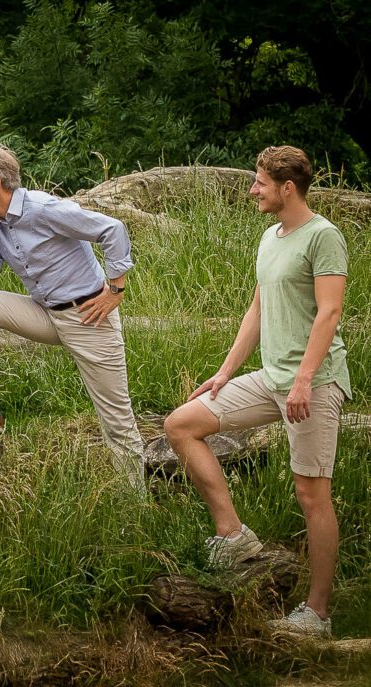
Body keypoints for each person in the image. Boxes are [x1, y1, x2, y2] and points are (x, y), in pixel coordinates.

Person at [164, 146, 349, 638]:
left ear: (287, 188)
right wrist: (224, 374)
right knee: (181, 425)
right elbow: (257, 310)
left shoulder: (323, 236)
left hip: (314, 382)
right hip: (270, 379)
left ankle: (318, 614)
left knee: (312, 495)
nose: (253, 190)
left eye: (260, 182)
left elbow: (329, 313)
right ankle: (234, 534)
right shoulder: (270, 237)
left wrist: (305, 379)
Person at [0, 143, 145, 490]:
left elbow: (112, 229)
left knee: (117, 420)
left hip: (87, 318)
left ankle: (136, 502)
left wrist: (115, 290)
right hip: (44, 313)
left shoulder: (42, 208)